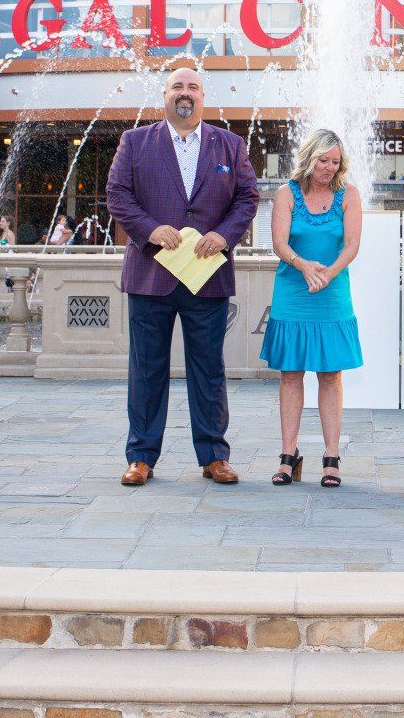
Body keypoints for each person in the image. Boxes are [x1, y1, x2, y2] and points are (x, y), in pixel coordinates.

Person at [105, 61, 259, 487]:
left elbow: (248, 198)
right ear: (165, 95)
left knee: (208, 369)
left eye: (193, 85)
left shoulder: (229, 145)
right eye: (177, 86)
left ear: (203, 97)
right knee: (146, 368)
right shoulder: (135, 142)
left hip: (207, 276)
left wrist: (224, 236)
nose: (185, 92)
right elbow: (116, 194)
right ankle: (141, 457)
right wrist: (149, 229)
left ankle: (213, 456)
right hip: (151, 275)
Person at [262, 128, 365, 488]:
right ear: (310, 158)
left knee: (330, 374)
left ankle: (331, 457)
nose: (330, 168)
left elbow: (351, 246)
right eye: (324, 160)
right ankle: (288, 455)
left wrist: (327, 274)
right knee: (290, 372)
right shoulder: (285, 194)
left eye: (336, 162)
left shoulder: (349, 194)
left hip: (332, 291)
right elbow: (278, 242)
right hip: (293, 288)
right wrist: (305, 266)